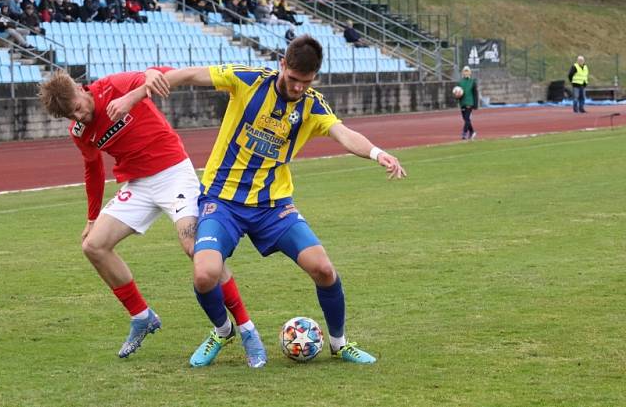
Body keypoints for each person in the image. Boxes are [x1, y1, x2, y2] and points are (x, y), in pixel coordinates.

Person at [105, 35, 407, 368]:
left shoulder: (312, 104)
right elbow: (187, 75)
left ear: (314, 78)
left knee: (323, 269)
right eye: (292, 79)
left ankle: (339, 343)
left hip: (273, 207)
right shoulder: (247, 80)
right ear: (282, 64)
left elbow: (344, 133)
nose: (296, 88)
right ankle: (222, 330)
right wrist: (135, 95)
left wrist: (377, 153)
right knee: (205, 274)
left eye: (304, 83)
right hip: (222, 202)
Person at [37, 70, 255, 359]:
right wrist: (91, 218)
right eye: (70, 116)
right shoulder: (79, 132)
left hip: (174, 173)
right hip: (138, 185)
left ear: (80, 88)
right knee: (94, 246)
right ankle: (143, 317)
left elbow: (158, 74)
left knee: (196, 249)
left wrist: (132, 96)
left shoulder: (112, 86)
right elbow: (93, 169)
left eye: (77, 108)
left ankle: (245, 327)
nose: (79, 118)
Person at [457, 65, 479, 140]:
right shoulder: (460, 82)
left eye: (467, 71)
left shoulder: (472, 82)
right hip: (462, 103)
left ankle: (464, 133)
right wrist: (457, 96)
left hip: (469, 103)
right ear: (462, 72)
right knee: (466, 119)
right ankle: (472, 131)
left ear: (470, 73)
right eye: (465, 71)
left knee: (467, 119)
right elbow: (457, 93)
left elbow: (475, 94)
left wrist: (475, 105)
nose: (466, 73)